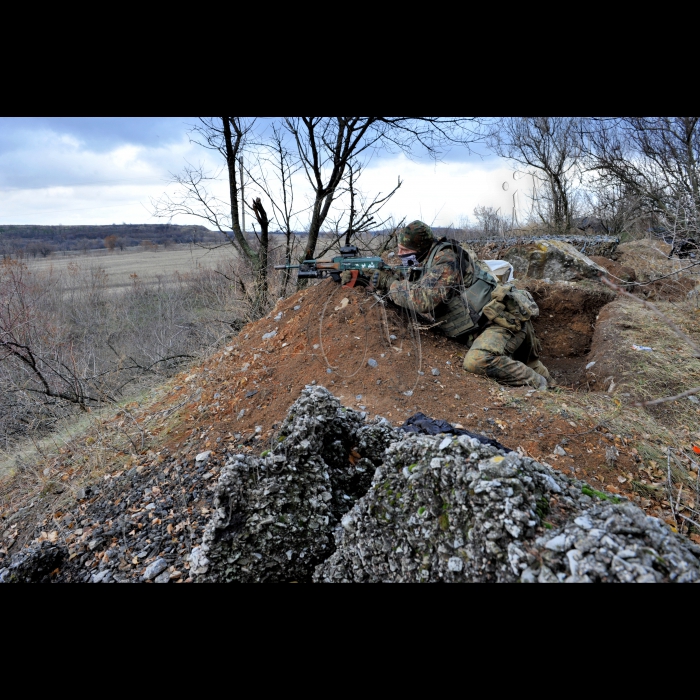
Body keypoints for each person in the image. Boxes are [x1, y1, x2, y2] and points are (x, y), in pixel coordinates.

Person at [376, 220, 552, 390]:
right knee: (532, 365)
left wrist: (387, 282)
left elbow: (424, 299)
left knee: (477, 360)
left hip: (502, 323)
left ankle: (539, 385)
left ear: (421, 248)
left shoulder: (446, 258)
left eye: (405, 250)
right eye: (398, 249)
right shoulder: (426, 260)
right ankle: (552, 387)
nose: (399, 254)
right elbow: (412, 283)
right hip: (485, 326)